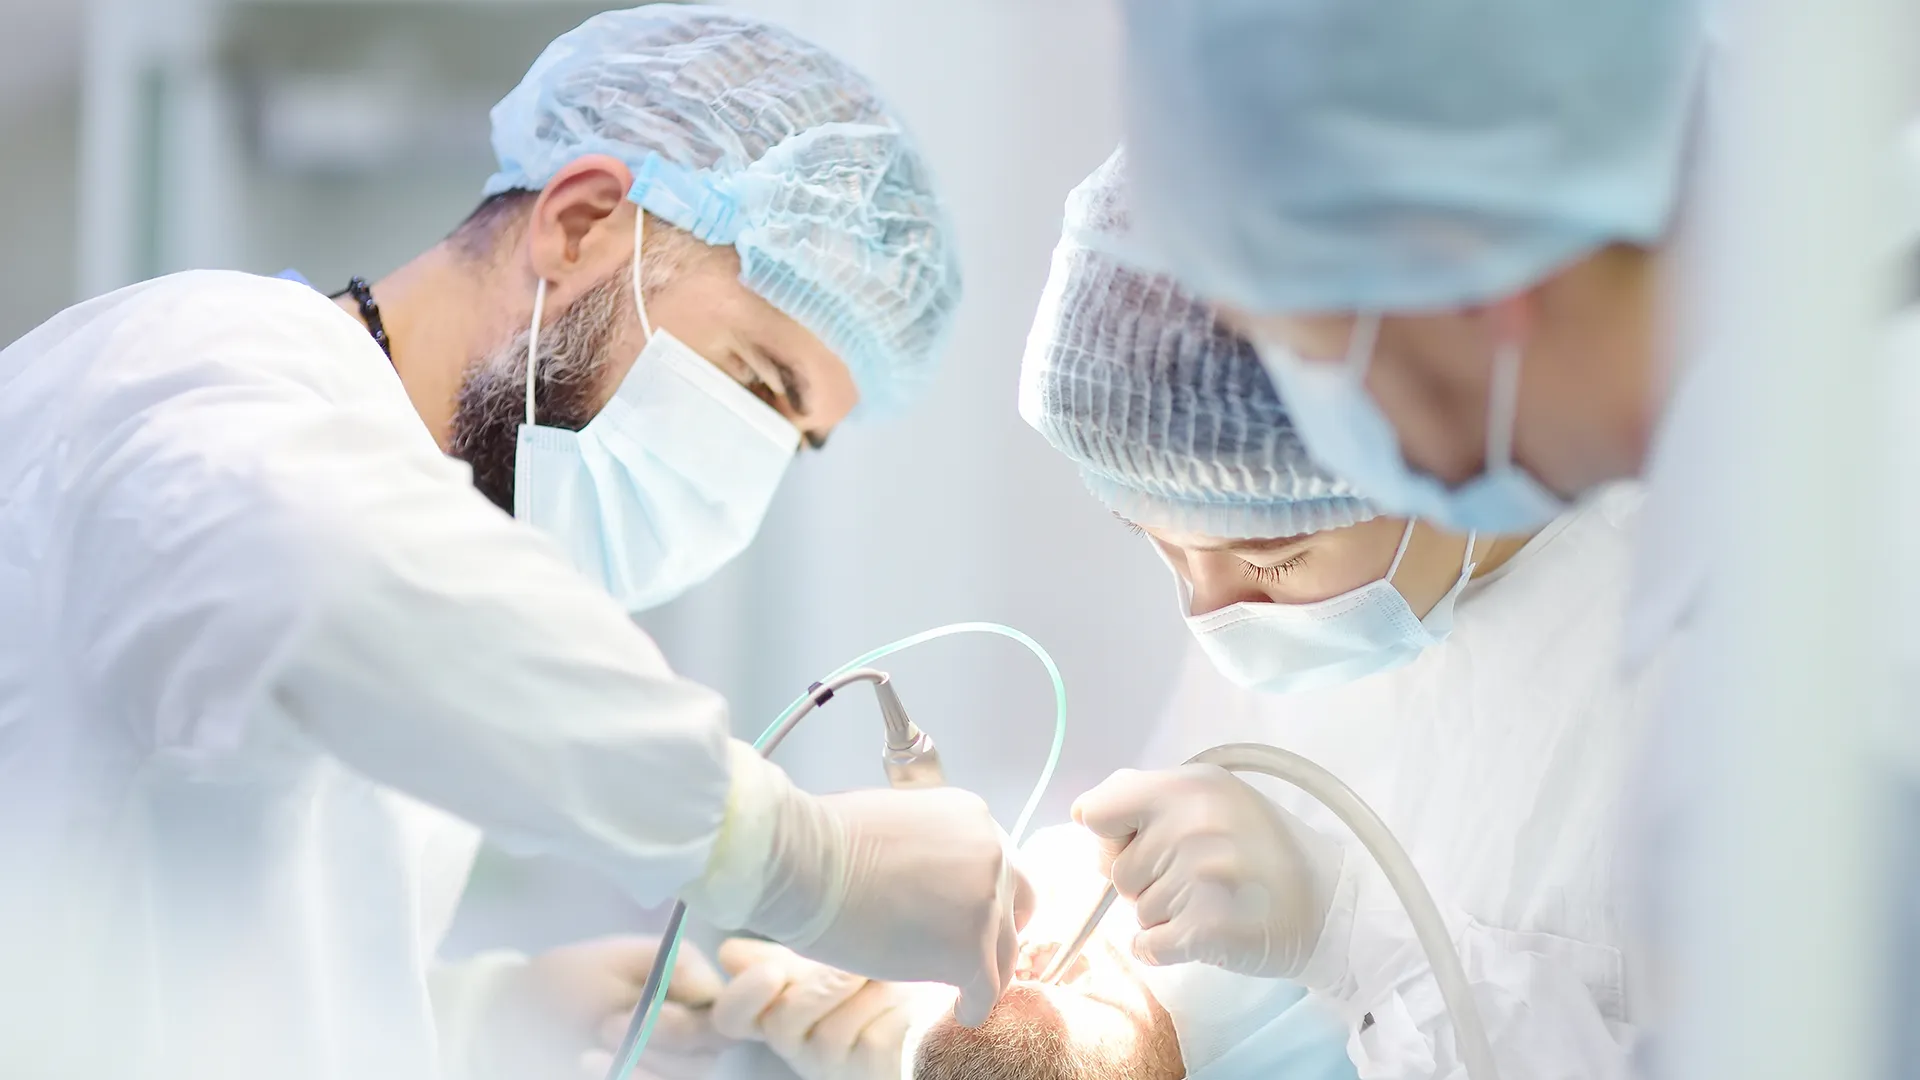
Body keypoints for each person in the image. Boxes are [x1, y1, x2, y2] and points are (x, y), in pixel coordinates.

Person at [0, 8, 1035, 1080]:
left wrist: (466, 1016)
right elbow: (324, 583)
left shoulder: (411, 515)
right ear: (580, 223)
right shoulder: (197, 378)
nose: (751, 465)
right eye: (756, 381)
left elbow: (168, 953)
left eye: (797, 440)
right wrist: (795, 857)